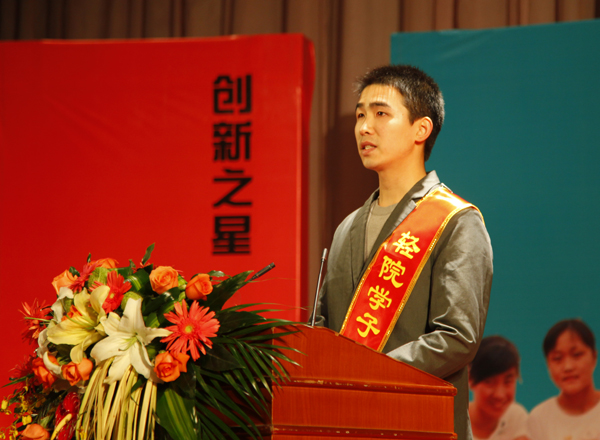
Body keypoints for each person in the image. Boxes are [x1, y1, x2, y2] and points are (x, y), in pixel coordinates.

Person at [315, 64, 493, 440]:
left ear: (421, 129)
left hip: (419, 423)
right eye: (360, 115)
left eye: (381, 114)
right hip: (346, 424)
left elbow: (457, 338)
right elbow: (323, 328)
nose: (364, 127)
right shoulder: (346, 227)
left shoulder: (455, 219)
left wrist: (366, 372)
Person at [528, 319, 600, 440]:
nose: (568, 367)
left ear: (594, 357)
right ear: (548, 364)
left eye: (577, 355)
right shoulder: (539, 418)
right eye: (557, 358)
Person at [469, 336, 528, 440]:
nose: (499, 395)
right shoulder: (452, 422)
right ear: (470, 379)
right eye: (489, 382)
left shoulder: (515, 417)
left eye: (508, 381)